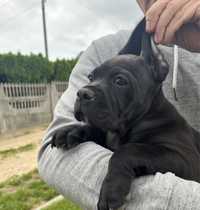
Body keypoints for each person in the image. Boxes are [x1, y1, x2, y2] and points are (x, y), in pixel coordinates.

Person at [38, 0, 200, 209]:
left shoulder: (168, 128)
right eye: (92, 78)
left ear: (156, 69)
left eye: (119, 81)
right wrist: (91, 133)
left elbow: (188, 165)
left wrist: (127, 160)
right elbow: (52, 156)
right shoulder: (106, 49)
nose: (88, 90)